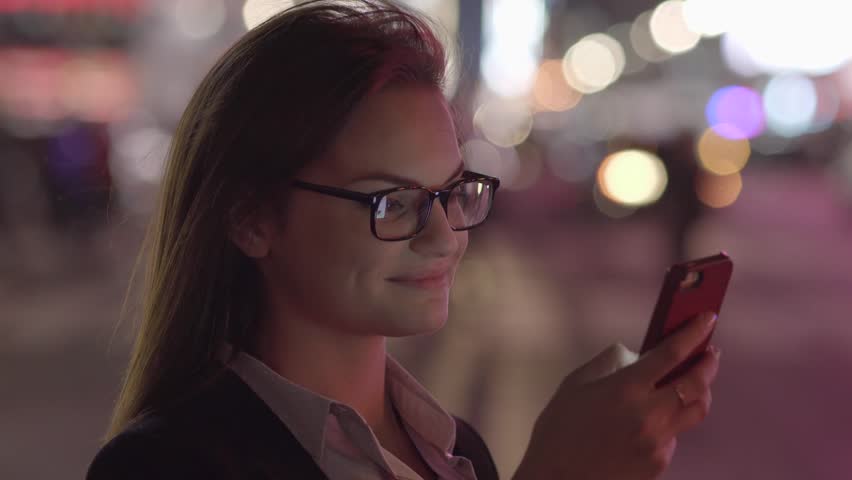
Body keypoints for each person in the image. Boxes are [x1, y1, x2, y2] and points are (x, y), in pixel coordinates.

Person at [87, 1, 722, 479]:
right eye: (394, 203)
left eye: (451, 192)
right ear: (251, 219)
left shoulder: (457, 452)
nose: (444, 237)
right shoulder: (166, 464)